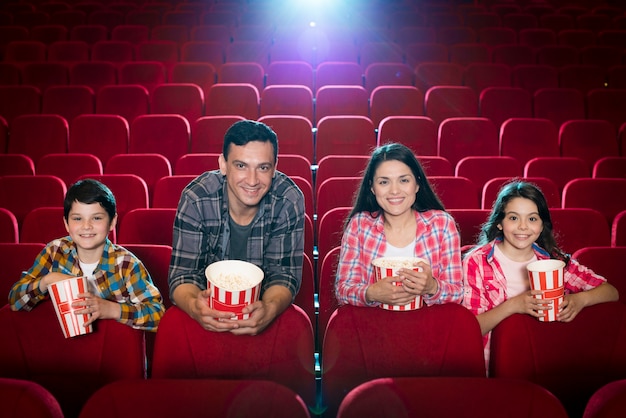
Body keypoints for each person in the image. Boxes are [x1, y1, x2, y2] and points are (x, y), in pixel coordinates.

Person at [168, 119, 305, 335]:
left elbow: (284, 274)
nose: (252, 180)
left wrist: (269, 309)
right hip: (208, 316)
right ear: (223, 164)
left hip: (261, 316)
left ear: (275, 168)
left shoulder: (289, 199)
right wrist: (195, 308)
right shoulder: (196, 198)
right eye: (241, 166)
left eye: (263, 167)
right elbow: (183, 275)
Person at [463, 180, 619, 365]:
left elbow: (611, 292)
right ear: (499, 223)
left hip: (545, 362)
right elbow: (469, 330)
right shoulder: (477, 262)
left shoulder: (555, 261)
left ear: (541, 225)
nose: (523, 226)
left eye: (532, 219)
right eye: (513, 218)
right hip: (495, 366)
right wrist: (513, 305)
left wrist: (579, 300)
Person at [8, 179, 165, 332]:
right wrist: (47, 280)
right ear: (66, 223)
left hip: (112, 352)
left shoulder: (126, 264)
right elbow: (15, 300)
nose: (86, 226)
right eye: (77, 218)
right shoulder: (54, 252)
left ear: (112, 222)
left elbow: (158, 314)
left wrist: (112, 309)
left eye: (96, 218)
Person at [335, 142, 464, 308]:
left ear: (417, 184)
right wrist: (370, 293)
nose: (394, 191)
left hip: (429, 326)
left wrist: (432, 287)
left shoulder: (442, 224)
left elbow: (457, 293)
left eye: (403, 180)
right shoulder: (359, 225)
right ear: (372, 188)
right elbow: (342, 291)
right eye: (384, 182)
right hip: (374, 326)